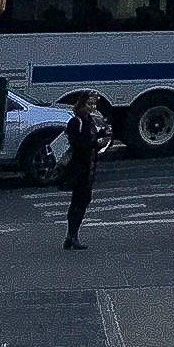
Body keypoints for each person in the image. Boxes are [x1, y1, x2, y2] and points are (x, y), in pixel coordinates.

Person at [62, 91, 100, 250]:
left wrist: (102, 137)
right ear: (81, 104)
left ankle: (72, 235)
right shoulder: (75, 122)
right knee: (79, 201)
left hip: (89, 167)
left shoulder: (90, 121)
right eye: (89, 104)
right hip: (79, 168)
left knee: (81, 201)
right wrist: (94, 143)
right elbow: (78, 144)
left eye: (94, 104)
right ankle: (72, 235)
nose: (92, 107)